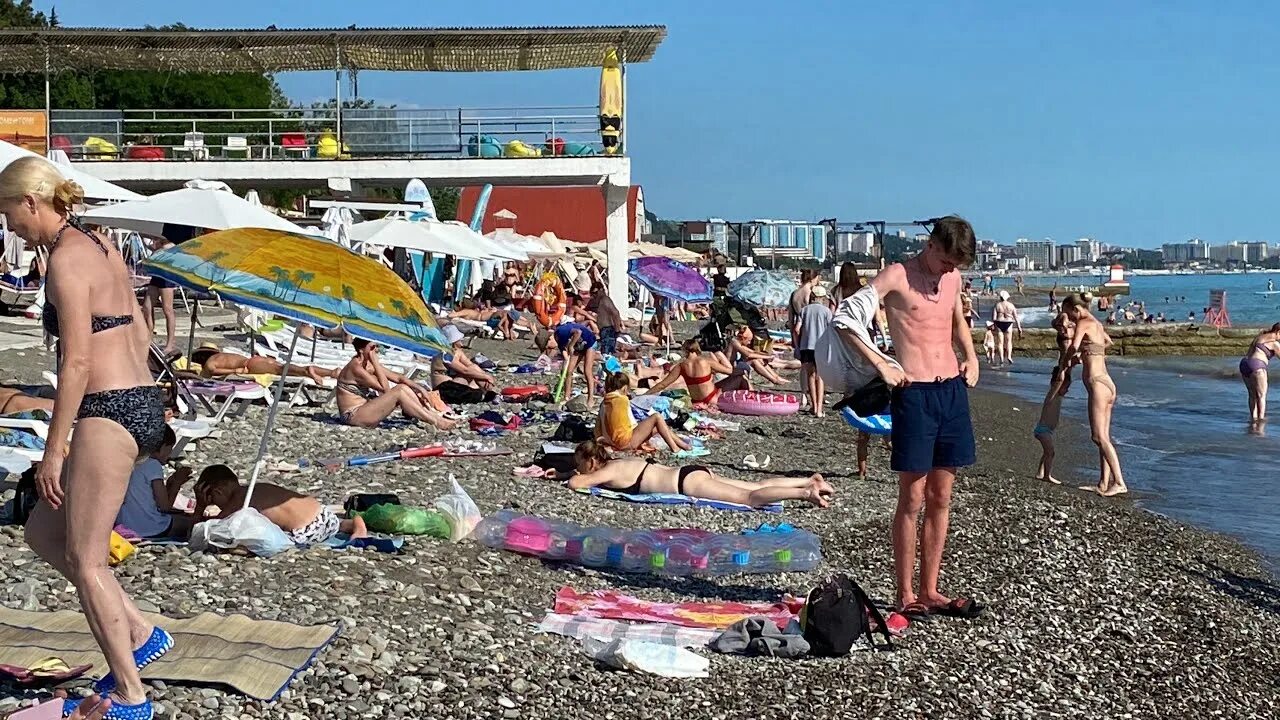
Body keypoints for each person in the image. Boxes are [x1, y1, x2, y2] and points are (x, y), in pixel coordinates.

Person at [2, 157, 169, 717]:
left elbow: (74, 363)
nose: (10, 229)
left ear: (31, 202)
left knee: (87, 557)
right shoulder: (101, 244)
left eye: (8, 214)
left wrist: (53, 450)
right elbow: (138, 325)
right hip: (141, 398)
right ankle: (141, 633)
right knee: (44, 534)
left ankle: (130, 694)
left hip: (108, 408)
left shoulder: (66, 264)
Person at [828, 215, 982, 621]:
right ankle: (905, 592)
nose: (950, 269)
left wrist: (971, 356)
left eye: (956, 265)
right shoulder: (896, 276)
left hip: (951, 390)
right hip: (914, 394)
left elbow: (955, 319)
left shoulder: (951, 279)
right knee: (912, 498)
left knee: (941, 497)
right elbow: (844, 319)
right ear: (931, 245)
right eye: (947, 260)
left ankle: (930, 589)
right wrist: (881, 364)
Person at [569, 440, 833, 508]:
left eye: (580, 463)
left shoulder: (605, 472)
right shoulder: (618, 461)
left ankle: (804, 492)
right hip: (688, 472)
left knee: (750, 498)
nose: (578, 468)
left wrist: (568, 475)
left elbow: (576, 483)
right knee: (756, 484)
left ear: (592, 462)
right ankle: (810, 480)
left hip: (685, 484)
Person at [193, 464, 367, 545]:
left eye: (214, 501)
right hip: (322, 513)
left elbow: (207, 530)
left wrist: (200, 506)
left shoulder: (239, 500)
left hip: (304, 532)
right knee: (336, 525)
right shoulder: (254, 487)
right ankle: (354, 524)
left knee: (244, 543)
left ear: (218, 492)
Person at [1063, 292, 1126, 497]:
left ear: (1077, 309)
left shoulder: (1084, 322)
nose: (1070, 320)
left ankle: (1119, 482)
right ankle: (1103, 483)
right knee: (1103, 437)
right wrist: (1090, 352)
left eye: (1069, 314)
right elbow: (1108, 342)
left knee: (1098, 436)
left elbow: (1072, 345)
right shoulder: (1097, 324)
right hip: (1107, 383)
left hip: (1098, 385)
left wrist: (1066, 362)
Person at [335, 339, 455, 430]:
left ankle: (432, 414)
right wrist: (375, 361)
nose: (375, 350)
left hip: (363, 410)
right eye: (372, 347)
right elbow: (385, 388)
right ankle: (435, 421)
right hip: (352, 415)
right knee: (398, 392)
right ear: (361, 349)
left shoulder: (367, 364)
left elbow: (398, 377)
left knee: (403, 388)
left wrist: (419, 388)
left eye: (376, 346)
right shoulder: (356, 368)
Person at [115, 426, 197, 539]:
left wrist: (170, 483)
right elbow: (164, 506)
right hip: (151, 528)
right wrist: (177, 483)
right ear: (163, 447)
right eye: (170, 448)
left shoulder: (126, 462)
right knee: (189, 523)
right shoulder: (153, 465)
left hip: (123, 526)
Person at [597, 372, 691, 452]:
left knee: (657, 427)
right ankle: (675, 448)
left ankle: (683, 445)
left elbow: (598, 429)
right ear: (625, 388)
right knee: (657, 417)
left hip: (609, 441)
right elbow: (632, 424)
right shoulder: (622, 400)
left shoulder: (604, 402)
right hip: (623, 443)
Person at [646, 338, 744, 407]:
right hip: (712, 398)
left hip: (696, 401)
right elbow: (729, 371)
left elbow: (663, 384)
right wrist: (742, 369)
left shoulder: (681, 366)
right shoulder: (706, 361)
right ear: (697, 349)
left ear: (685, 350)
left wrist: (645, 394)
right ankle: (755, 399)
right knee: (740, 378)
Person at [189, 345, 335, 383]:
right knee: (284, 367)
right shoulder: (222, 354)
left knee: (281, 370)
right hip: (254, 359)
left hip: (250, 365)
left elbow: (212, 370)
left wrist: (234, 371)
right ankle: (331, 372)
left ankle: (309, 370)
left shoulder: (210, 361)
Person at [796, 284, 833, 417]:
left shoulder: (804, 310)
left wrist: (798, 343)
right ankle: (819, 409)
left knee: (810, 376)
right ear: (822, 298)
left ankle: (814, 406)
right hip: (821, 346)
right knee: (821, 377)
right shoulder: (826, 311)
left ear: (812, 296)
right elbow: (831, 330)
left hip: (806, 346)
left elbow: (796, 329)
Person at [141, 236, 179, 356]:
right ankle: (149, 336)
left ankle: (170, 343)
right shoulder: (160, 242)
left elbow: (161, 250)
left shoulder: (171, 244)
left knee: (167, 309)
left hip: (167, 276)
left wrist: (156, 247)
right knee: (147, 307)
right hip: (157, 275)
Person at [1239, 322, 1280, 425]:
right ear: (1278, 332)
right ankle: (1260, 420)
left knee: (1252, 395)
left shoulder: (1259, 337)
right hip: (1257, 365)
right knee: (1262, 396)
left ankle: (1253, 418)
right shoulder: (1274, 343)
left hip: (1244, 364)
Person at [440, 324, 497, 389]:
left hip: (457, 377)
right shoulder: (445, 355)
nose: (461, 344)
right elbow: (464, 371)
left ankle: (488, 388)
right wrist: (487, 377)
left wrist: (483, 375)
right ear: (453, 343)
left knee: (474, 367)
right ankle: (488, 389)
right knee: (467, 376)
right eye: (459, 341)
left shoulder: (458, 352)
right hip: (446, 383)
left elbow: (470, 365)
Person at [589, 283, 624, 355]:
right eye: (593, 293)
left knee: (607, 354)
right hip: (604, 330)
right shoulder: (599, 301)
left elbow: (615, 313)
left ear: (601, 290)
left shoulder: (605, 299)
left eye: (596, 293)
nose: (594, 295)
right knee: (606, 353)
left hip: (608, 330)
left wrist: (617, 329)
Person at [991, 290, 1022, 366]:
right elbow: (1016, 317)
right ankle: (1009, 356)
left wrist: (994, 326)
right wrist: (1019, 327)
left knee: (1000, 342)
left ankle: (1001, 358)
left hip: (999, 322)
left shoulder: (997, 305)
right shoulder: (1011, 305)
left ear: (1001, 297)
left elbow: (994, 318)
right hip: (1008, 322)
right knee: (1009, 341)